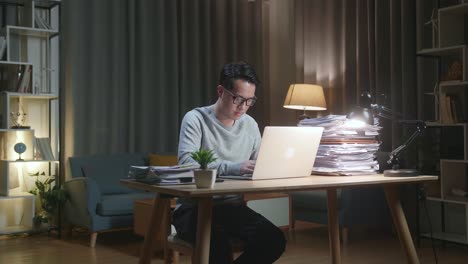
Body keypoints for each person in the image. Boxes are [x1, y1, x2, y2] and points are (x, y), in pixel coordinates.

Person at [173, 61, 286, 264]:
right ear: (220, 91)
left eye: (250, 101)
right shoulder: (195, 119)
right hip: (193, 209)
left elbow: (260, 162)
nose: (243, 107)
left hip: (232, 207)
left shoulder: (250, 124)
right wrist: (235, 167)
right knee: (217, 245)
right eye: (238, 99)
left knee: (274, 240)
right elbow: (186, 163)